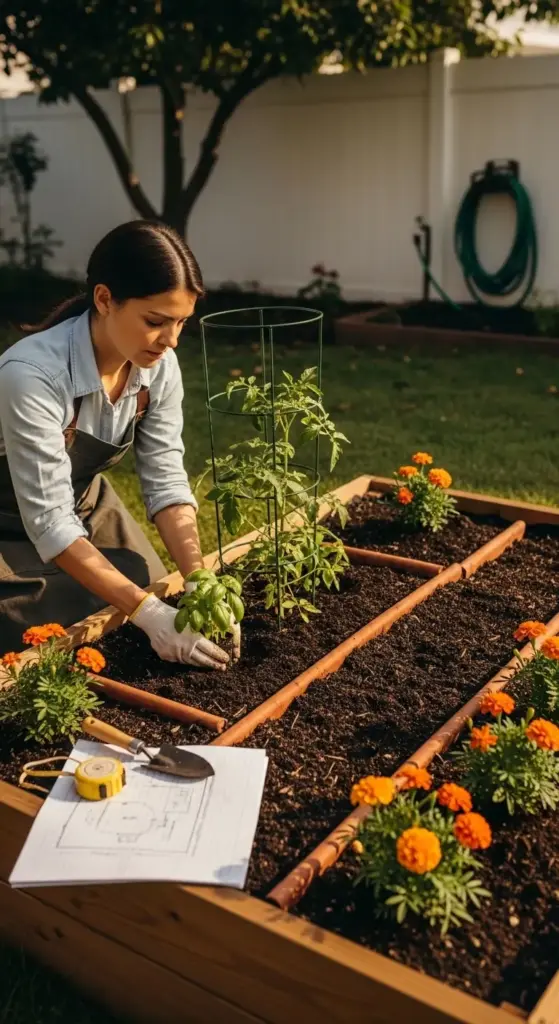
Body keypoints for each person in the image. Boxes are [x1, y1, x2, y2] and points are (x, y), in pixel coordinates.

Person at [0, 220, 228, 669]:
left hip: (81, 498)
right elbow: (48, 519)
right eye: (155, 322)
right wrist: (146, 612)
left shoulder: (158, 368)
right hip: (7, 518)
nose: (171, 340)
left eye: (181, 322)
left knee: (150, 585)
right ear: (104, 299)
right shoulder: (31, 376)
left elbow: (165, 479)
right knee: (60, 626)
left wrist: (201, 580)